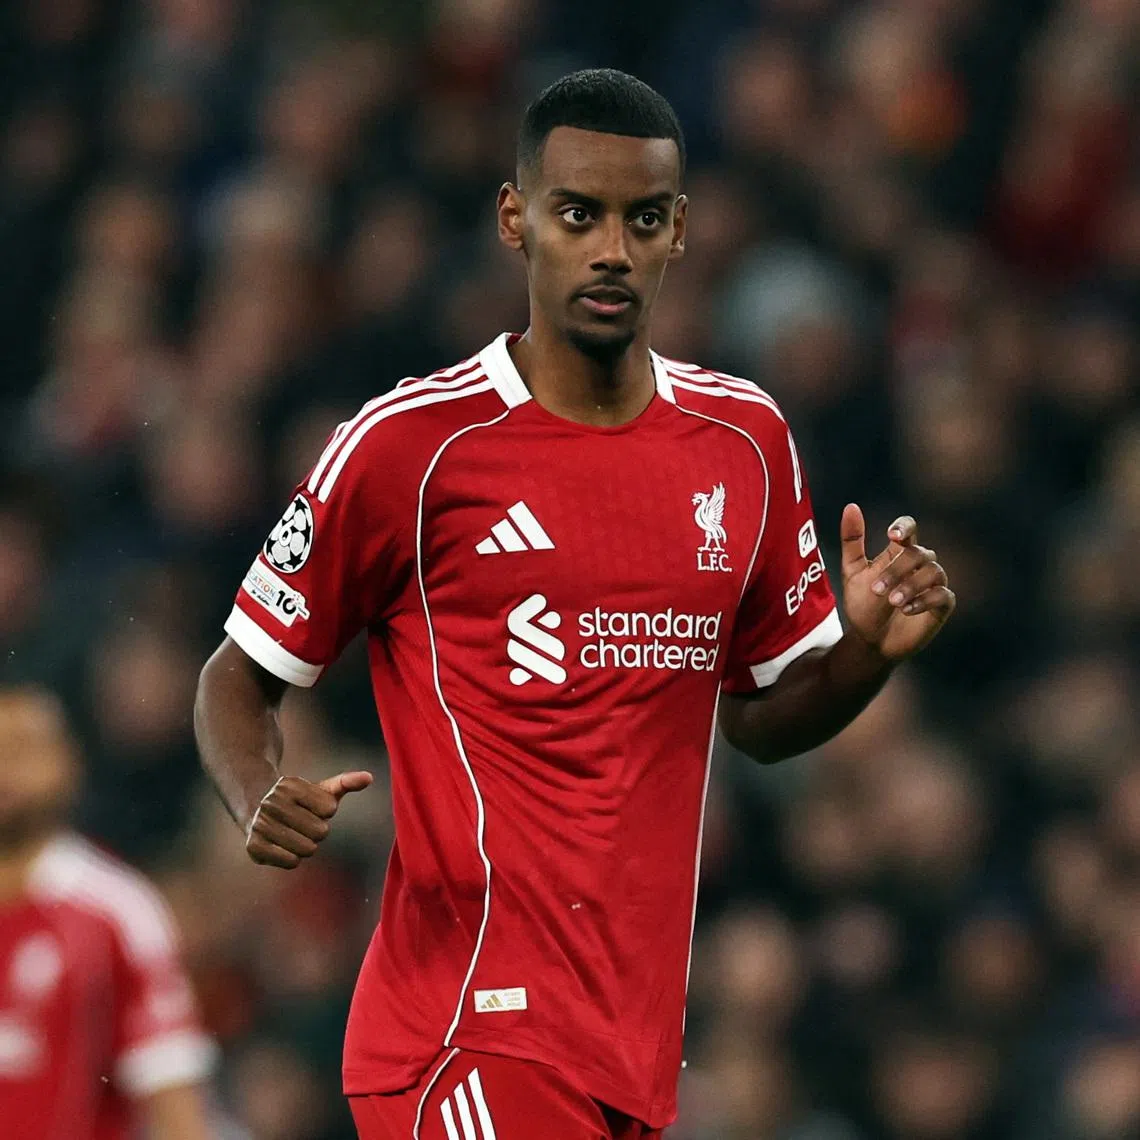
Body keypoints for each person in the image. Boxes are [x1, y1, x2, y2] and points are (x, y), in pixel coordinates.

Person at [195, 68, 956, 1140]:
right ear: (516, 220)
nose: (612, 247)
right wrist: (256, 790)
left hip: (631, 1051)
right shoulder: (411, 448)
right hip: (465, 1031)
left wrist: (868, 652)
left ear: (680, 231)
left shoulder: (745, 442)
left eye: (643, 219)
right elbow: (237, 674)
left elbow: (762, 721)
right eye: (578, 214)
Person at [0, 685, 219, 1140]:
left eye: (21, 749)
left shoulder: (115, 912)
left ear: (68, 765)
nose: (4, 769)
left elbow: (173, 1095)